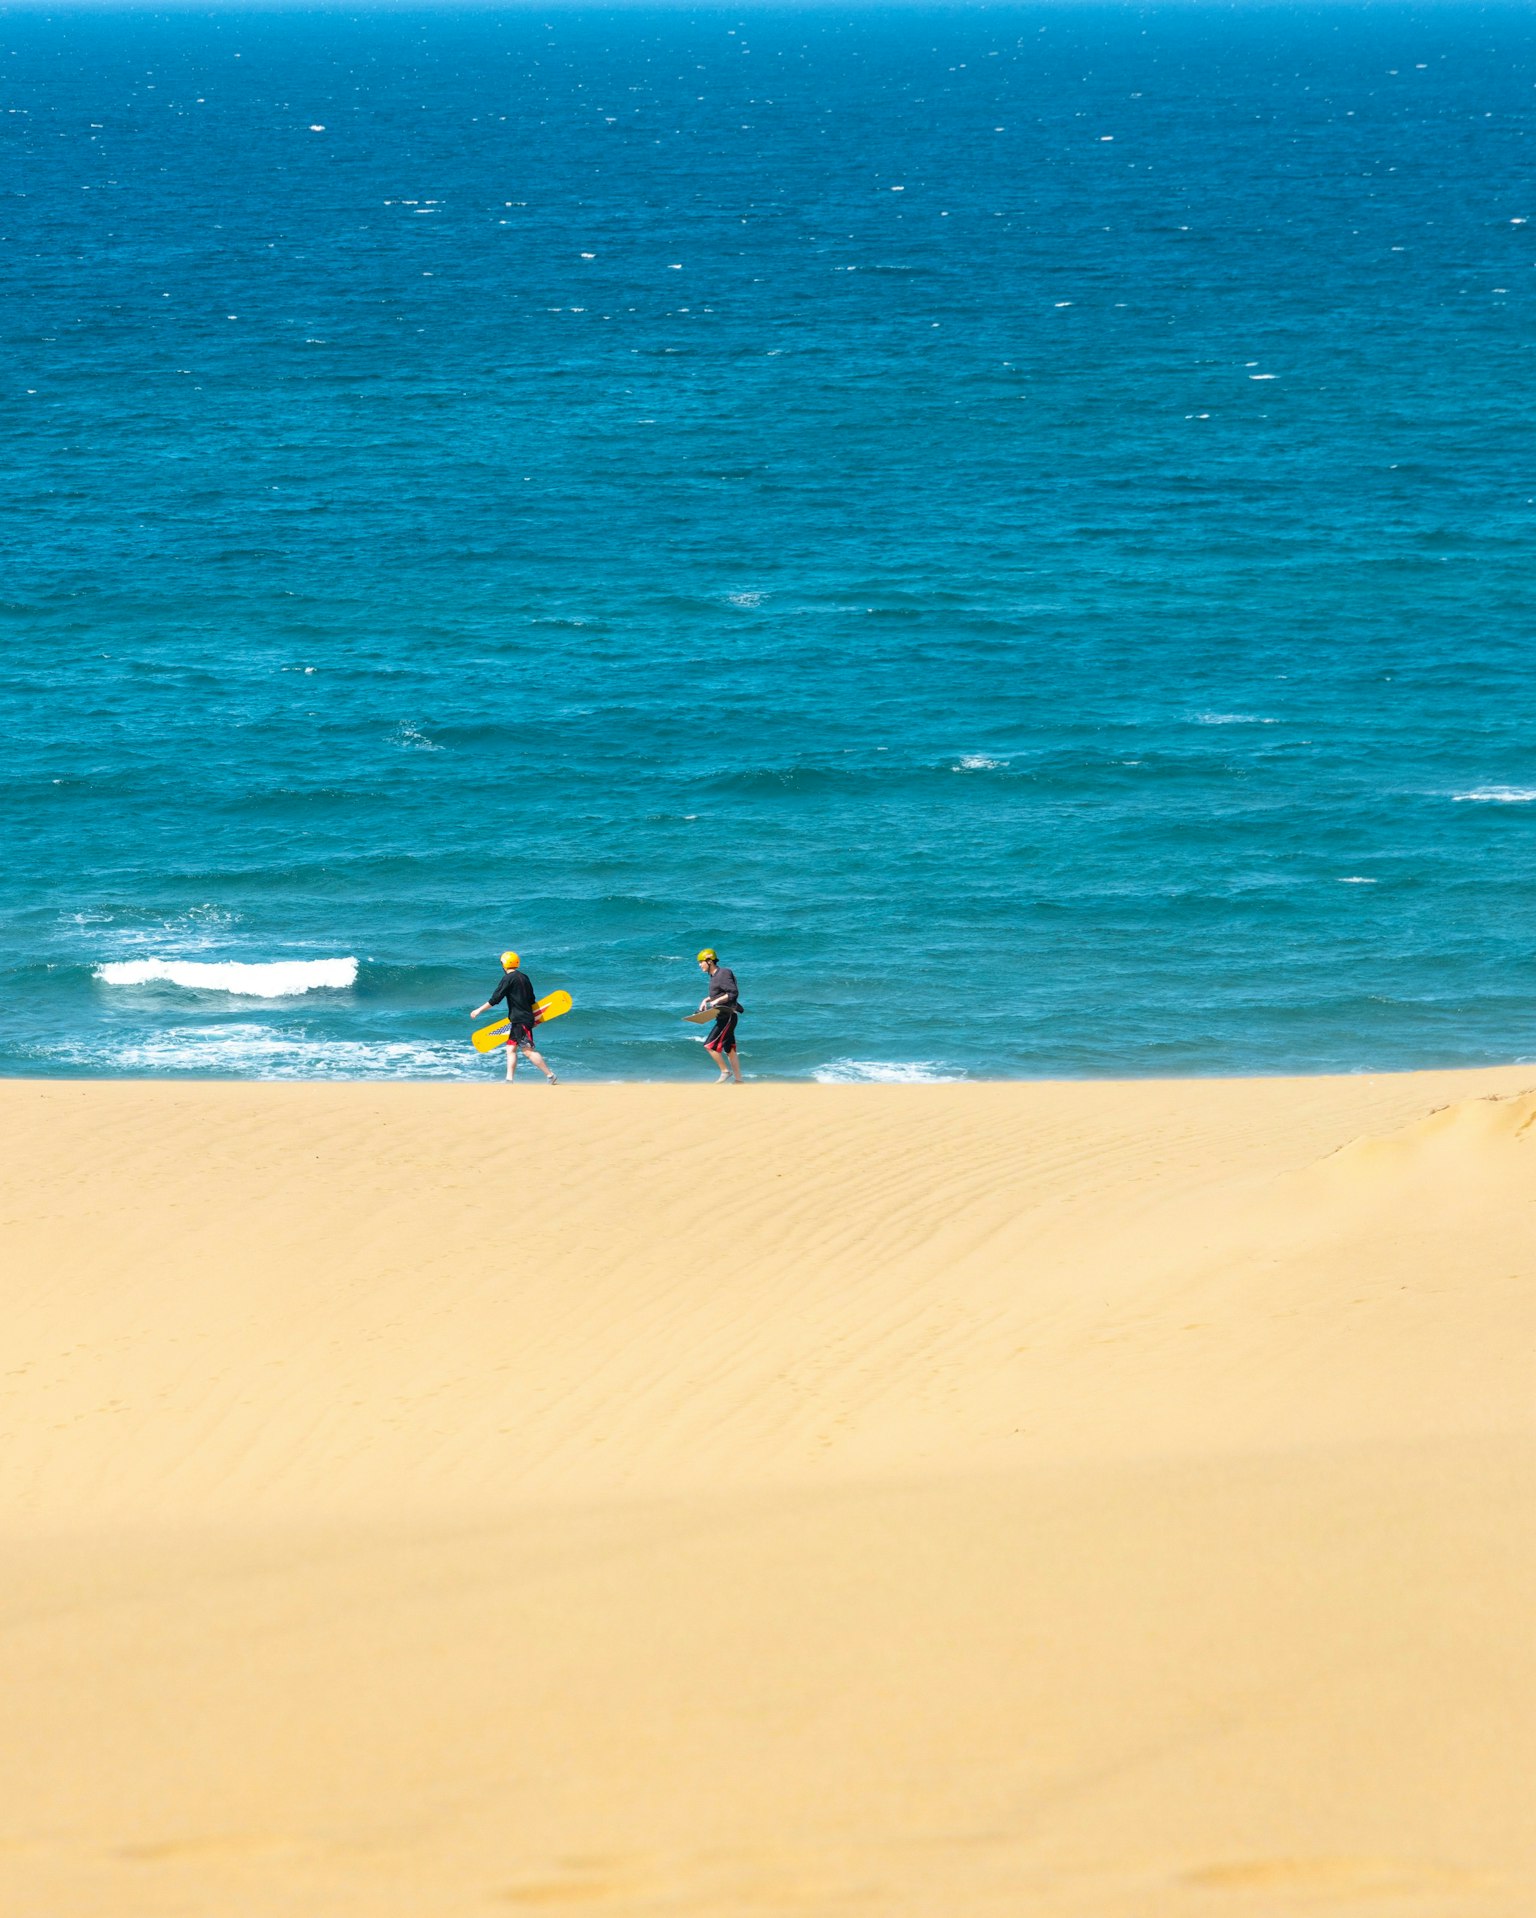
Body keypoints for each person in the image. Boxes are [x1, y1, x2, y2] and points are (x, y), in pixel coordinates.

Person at [471, 950, 558, 1084]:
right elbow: (531, 999)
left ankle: (550, 1075)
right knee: (510, 1049)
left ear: (504, 964)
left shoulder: (507, 978)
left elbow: (495, 999)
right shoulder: (524, 977)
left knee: (527, 1051)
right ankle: (509, 1079)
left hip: (520, 1020)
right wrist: (535, 1018)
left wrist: (479, 1010)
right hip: (522, 1019)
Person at [695, 948, 742, 1084]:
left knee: (709, 1045)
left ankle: (725, 1072)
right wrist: (707, 1000)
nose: (700, 965)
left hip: (728, 1016)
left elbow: (733, 992)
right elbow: (720, 993)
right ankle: (739, 1081)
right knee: (730, 1049)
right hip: (723, 1015)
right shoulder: (714, 977)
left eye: (701, 962)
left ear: (709, 961)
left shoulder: (724, 973)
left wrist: (716, 1001)